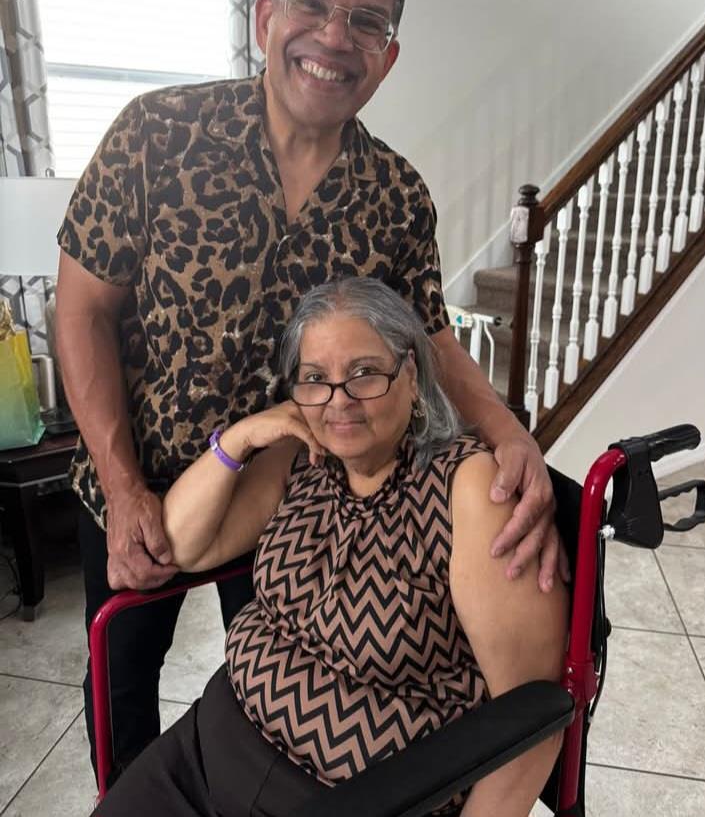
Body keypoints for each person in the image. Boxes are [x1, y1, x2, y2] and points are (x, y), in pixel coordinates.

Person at [55, 0, 566, 783]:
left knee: (271, 706)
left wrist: (511, 432)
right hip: (144, 497)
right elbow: (81, 312)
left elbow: (432, 339)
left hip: (292, 501)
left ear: (389, 55)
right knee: (123, 700)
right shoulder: (157, 135)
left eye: (368, 22)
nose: (335, 37)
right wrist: (121, 482)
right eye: (312, 4)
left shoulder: (397, 194)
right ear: (266, 16)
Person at [92, 277, 568, 817]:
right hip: (206, 751)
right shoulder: (302, 461)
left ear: (410, 376)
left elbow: (532, 718)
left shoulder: (469, 490)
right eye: (315, 379)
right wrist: (243, 436)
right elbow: (183, 545)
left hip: (350, 797)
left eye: (364, 373)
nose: (338, 402)